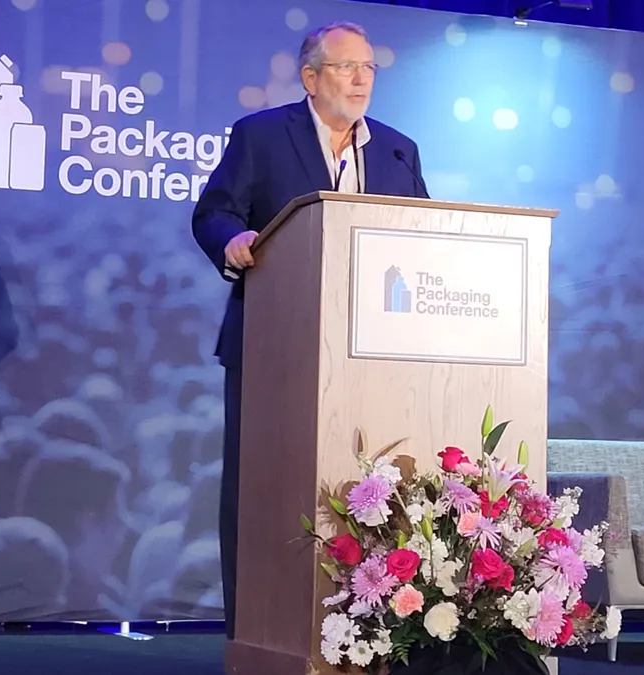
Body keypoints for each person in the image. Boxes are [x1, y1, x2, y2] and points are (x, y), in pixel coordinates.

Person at [191, 21, 430, 639]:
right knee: (262, 490)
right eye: (346, 67)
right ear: (310, 77)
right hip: (273, 345)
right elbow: (213, 212)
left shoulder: (398, 150)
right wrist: (233, 239)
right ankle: (254, 627)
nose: (360, 79)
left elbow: (423, 236)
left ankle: (368, 626)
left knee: (370, 487)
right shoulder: (262, 136)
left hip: (373, 353)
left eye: (369, 68)